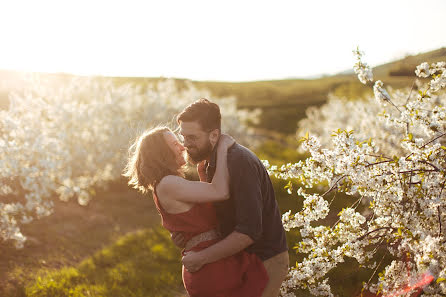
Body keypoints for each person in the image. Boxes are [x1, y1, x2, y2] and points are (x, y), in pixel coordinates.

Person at [123, 126, 268, 297]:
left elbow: (207, 209)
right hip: (211, 268)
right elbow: (220, 192)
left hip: (213, 260)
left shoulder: (169, 183)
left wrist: (203, 173)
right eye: (174, 144)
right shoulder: (168, 183)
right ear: (161, 152)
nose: (182, 147)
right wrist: (222, 150)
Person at [174, 98, 289, 297]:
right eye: (183, 137)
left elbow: (248, 232)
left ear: (214, 135)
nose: (186, 145)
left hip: (265, 261)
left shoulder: (238, 162)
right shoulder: (212, 162)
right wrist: (189, 236)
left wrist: (202, 257)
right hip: (239, 259)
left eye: (192, 138)